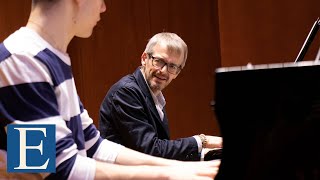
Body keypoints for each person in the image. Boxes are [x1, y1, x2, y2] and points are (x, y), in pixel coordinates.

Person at [0, 0, 220, 179]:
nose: (104, 7)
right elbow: (56, 170)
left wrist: (182, 168)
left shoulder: (51, 59)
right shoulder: (22, 60)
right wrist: (169, 175)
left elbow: (94, 146)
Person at [99, 32, 223, 161]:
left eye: (172, 66)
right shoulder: (126, 92)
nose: (163, 71)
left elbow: (161, 152)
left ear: (177, 73)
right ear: (144, 58)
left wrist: (206, 155)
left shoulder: (153, 95)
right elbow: (151, 150)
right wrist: (203, 141)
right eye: (158, 61)